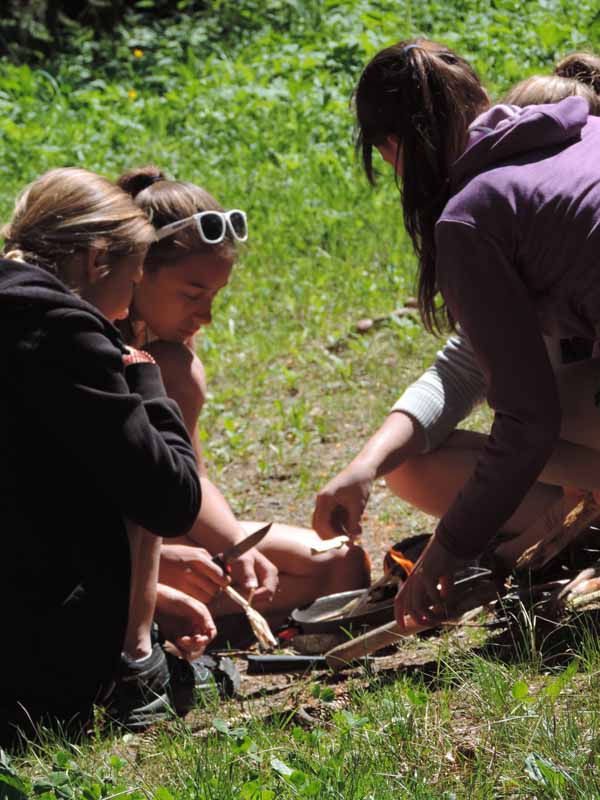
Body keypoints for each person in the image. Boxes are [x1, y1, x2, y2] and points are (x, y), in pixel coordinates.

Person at [312, 40, 600, 632]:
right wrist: (368, 464)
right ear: (483, 99)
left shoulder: (476, 210)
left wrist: (448, 550)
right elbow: (469, 359)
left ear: (390, 150)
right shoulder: (578, 139)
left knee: (534, 402)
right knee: (414, 460)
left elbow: (529, 421)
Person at [115, 166, 371, 658]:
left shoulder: (171, 355)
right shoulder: (90, 349)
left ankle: (202, 631)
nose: (206, 315)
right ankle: (158, 631)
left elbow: (190, 477)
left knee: (343, 566)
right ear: (137, 270)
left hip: (176, 543)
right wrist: (159, 562)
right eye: (192, 295)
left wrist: (236, 546)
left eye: (215, 296)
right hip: (104, 561)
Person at [0, 167, 201, 745]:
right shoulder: (66, 335)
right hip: (36, 673)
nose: (126, 306)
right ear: (95, 261)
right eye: (133, 278)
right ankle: (136, 674)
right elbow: (172, 498)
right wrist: (146, 380)